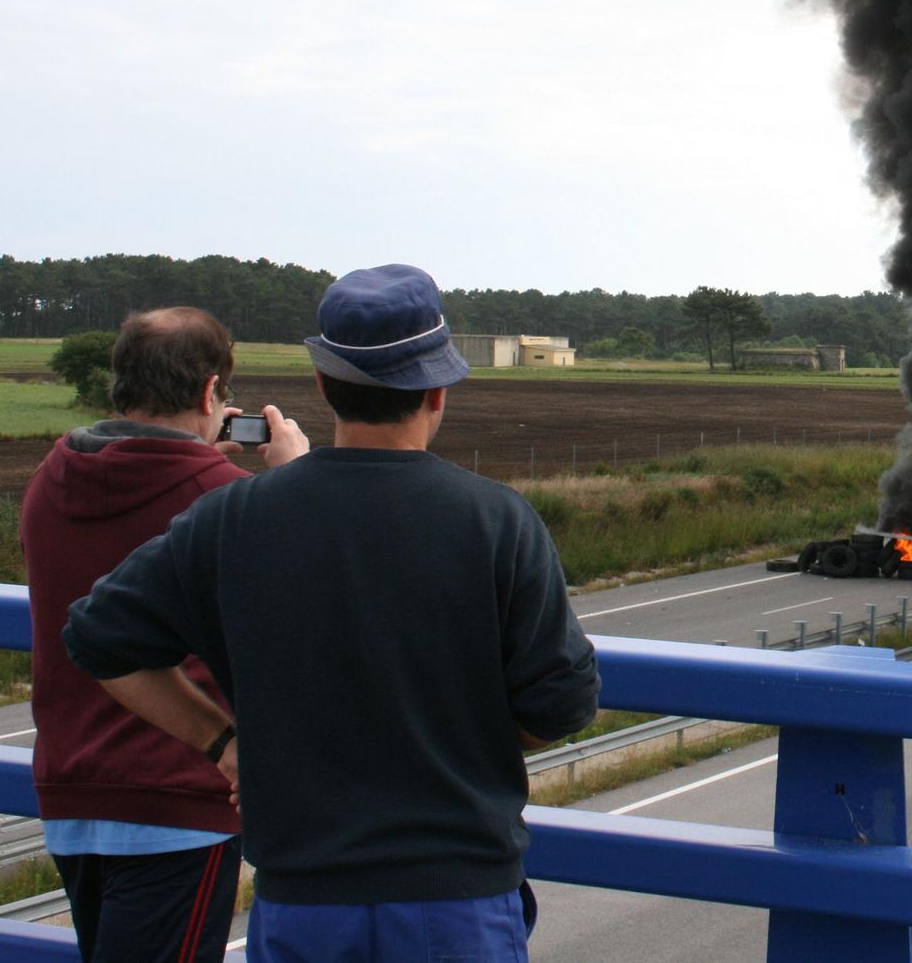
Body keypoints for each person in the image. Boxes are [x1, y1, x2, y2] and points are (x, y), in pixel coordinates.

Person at [62, 264, 601, 961]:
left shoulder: (233, 518)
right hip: (457, 899)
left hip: (301, 904)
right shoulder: (498, 521)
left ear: (322, 383)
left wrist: (224, 743)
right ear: (437, 390)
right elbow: (564, 701)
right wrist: (465, 739)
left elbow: (98, 638)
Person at [21, 307, 309, 963]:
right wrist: (293, 483)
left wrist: (192, 463)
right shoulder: (227, 500)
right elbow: (318, 585)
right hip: (180, 796)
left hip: (70, 794)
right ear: (211, 393)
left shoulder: (51, 479)